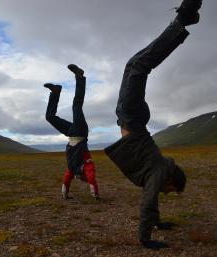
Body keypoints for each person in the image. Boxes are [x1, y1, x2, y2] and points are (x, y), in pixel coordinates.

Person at [104, 0, 202, 250]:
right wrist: (145, 238)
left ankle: (182, 23)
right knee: (139, 66)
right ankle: (183, 20)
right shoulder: (160, 172)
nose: (166, 193)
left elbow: (152, 198)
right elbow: (149, 201)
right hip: (132, 118)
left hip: (128, 117)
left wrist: (159, 224)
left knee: (133, 65)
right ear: (171, 180)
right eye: (170, 190)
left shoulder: (160, 170)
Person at [44, 64, 99, 200]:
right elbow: (91, 176)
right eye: (81, 177)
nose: (79, 178)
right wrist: (94, 193)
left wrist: (64, 193)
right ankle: (80, 77)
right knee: (76, 105)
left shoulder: (73, 168)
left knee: (50, 117)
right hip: (80, 131)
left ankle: (55, 92)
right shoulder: (86, 164)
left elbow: (67, 177)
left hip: (71, 132)